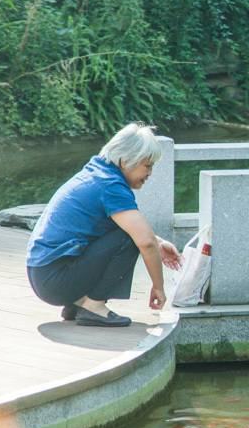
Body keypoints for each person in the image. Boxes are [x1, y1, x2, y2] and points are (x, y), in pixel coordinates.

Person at [26, 123, 181, 327]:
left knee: (126, 233)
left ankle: (79, 303)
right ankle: (93, 305)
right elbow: (145, 242)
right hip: (55, 279)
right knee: (128, 239)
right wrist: (159, 288)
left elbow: (144, 237)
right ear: (126, 160)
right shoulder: (111, 186)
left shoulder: (97, 172)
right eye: (148, 165)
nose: (150, 172)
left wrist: (159, 243)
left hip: (43, 275)